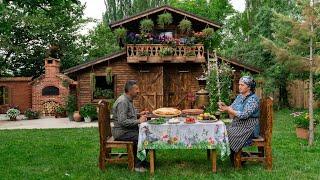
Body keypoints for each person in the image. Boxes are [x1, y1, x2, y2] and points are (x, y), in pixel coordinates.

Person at [218, 76, 260, 166]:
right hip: (240, 125)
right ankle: (235, 156)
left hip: (250, 127)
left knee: (229, 133)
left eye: (242, 85)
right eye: (239, 84)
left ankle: (238, 158)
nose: (239, 87)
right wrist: (225, 106)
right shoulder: (240, 97)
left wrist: (229, 110)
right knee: (224, 130)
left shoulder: (253, 99)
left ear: (249, 87)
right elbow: (232, 108)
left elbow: (244, 115)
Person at [112, 80, 149, 172]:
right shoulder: (123, 102)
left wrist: (139, 114)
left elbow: (128, 115)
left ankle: (142, 160)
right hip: (121, 132)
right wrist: (139, 121)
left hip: (127, 130)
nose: (138, 91)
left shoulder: (128, 100)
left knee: (147, 134)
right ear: (129, 90)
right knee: (144, 138)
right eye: (136, 89)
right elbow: (122, 121)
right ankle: (138, 165)